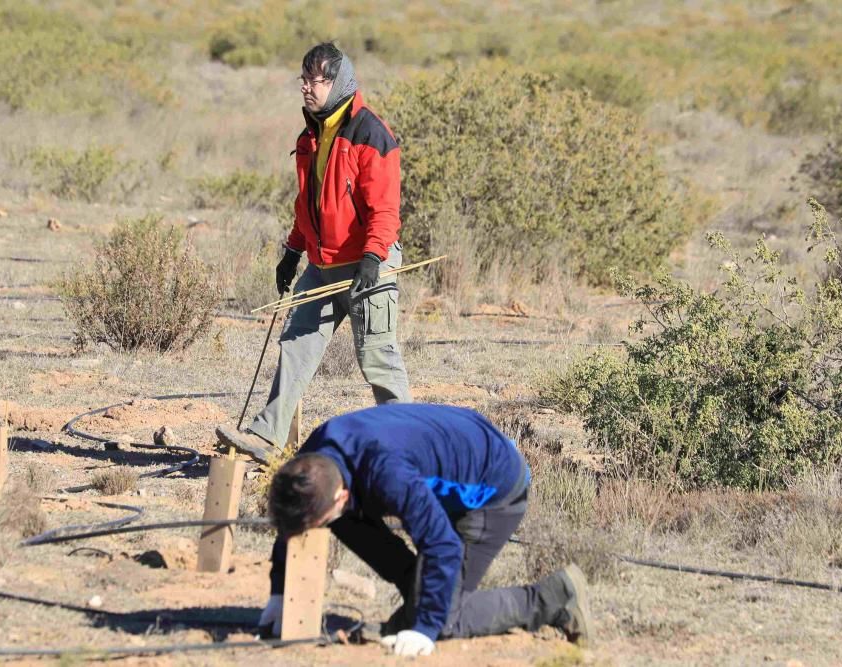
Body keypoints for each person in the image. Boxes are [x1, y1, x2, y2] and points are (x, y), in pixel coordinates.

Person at [256, 403, 592, 657]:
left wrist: (426, 626)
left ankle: (556, 597)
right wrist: (279, 590)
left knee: (447, 616)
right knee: (339, 519)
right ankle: (418, 594)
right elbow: (294, 519)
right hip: (440, 460)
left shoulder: (388, 473)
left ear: (342, 494)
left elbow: (442, 545)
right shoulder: (313, 462)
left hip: (493, 488)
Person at [216, 43, 411, 464]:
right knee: (295, 346)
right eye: (303, 80)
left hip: (366, 265)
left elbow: (385, 210)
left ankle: (407, 450)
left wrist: (374, 258)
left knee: (378, 359)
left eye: (316, 81)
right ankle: (268, 440)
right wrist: (292, 250)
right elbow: (309, 204)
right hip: (322, 267)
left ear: (338, 83)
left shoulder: (369, 133)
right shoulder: (310, 133)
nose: (306, 88)